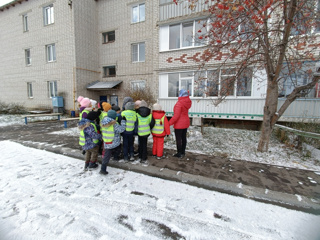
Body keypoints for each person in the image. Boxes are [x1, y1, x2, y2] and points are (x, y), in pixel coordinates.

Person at [99, 110, 126, 175]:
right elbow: (121, 130)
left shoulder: (103, 122)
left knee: (107, 156)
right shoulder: (114, 124)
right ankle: (116, 157)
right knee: (118, 148)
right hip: (114, 141)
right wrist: (123, 121)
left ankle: (103, 169)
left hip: (107, 141)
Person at [169, 89, 192, 158]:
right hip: (185, 122)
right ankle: (183, 152)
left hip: (179, 124)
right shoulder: (187, 102)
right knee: (183, 138)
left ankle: (179, 153)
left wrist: (169, 123)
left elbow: (176, 116)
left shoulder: (179, 103)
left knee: (179, 139)